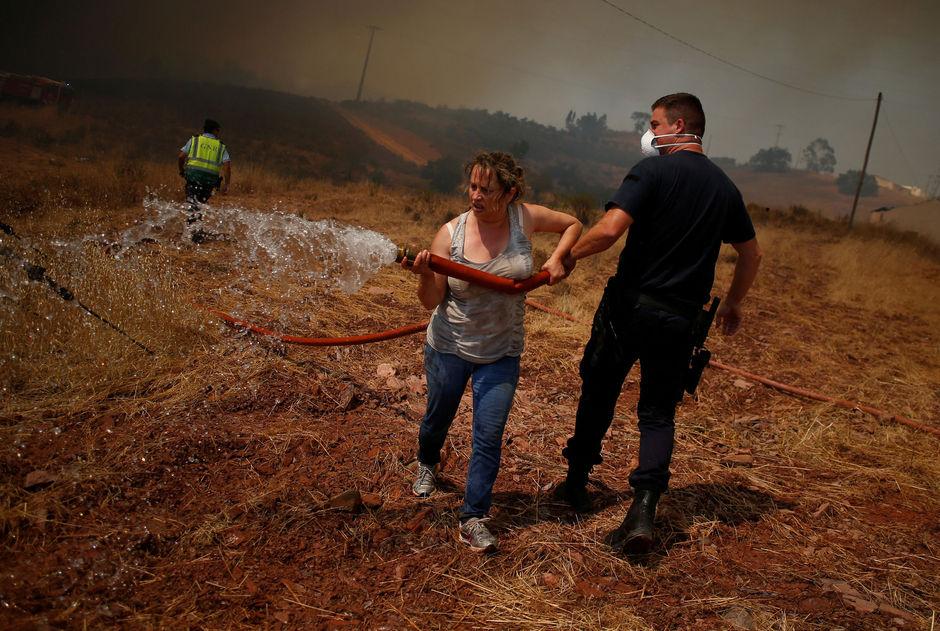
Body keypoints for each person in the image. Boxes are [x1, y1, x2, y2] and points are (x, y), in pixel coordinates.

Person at [553, 93, 763, 555]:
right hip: (681, 320)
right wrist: (732, 304)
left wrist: (565, 256)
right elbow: (750, 254)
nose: (648, 132)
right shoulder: (724, 188)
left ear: (679, 125)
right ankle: (643, 512)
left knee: (600, 389)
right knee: (657, 414)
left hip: (629, 308)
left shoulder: (651, 170)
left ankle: (575, 484)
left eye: (654, 123)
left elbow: (609, 231)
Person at [403, 151, 581, 553]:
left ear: (510, 192)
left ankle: (473, 517)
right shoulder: (450, 234)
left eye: (487, 189)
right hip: (451, 345)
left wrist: (555, 259)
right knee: (439, 415)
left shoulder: (525, 218)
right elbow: (431, 302)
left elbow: (574, 223)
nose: (476, 195)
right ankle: (427, 462)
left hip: (501, 350)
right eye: (473, 186)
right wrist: (425, 275)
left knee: (489, 434)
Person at [178, 119, 231, 239]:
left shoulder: (195, 140)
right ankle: (195, 232)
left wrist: (181, 170)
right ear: (215, 130)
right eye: (218, 131)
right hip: (209, 180)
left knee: (192, 203)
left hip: (193, 177)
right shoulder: (220, 146)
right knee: (200, 204)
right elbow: (227, 166)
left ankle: (192, 232)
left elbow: (181, 156)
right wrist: (226, 184)